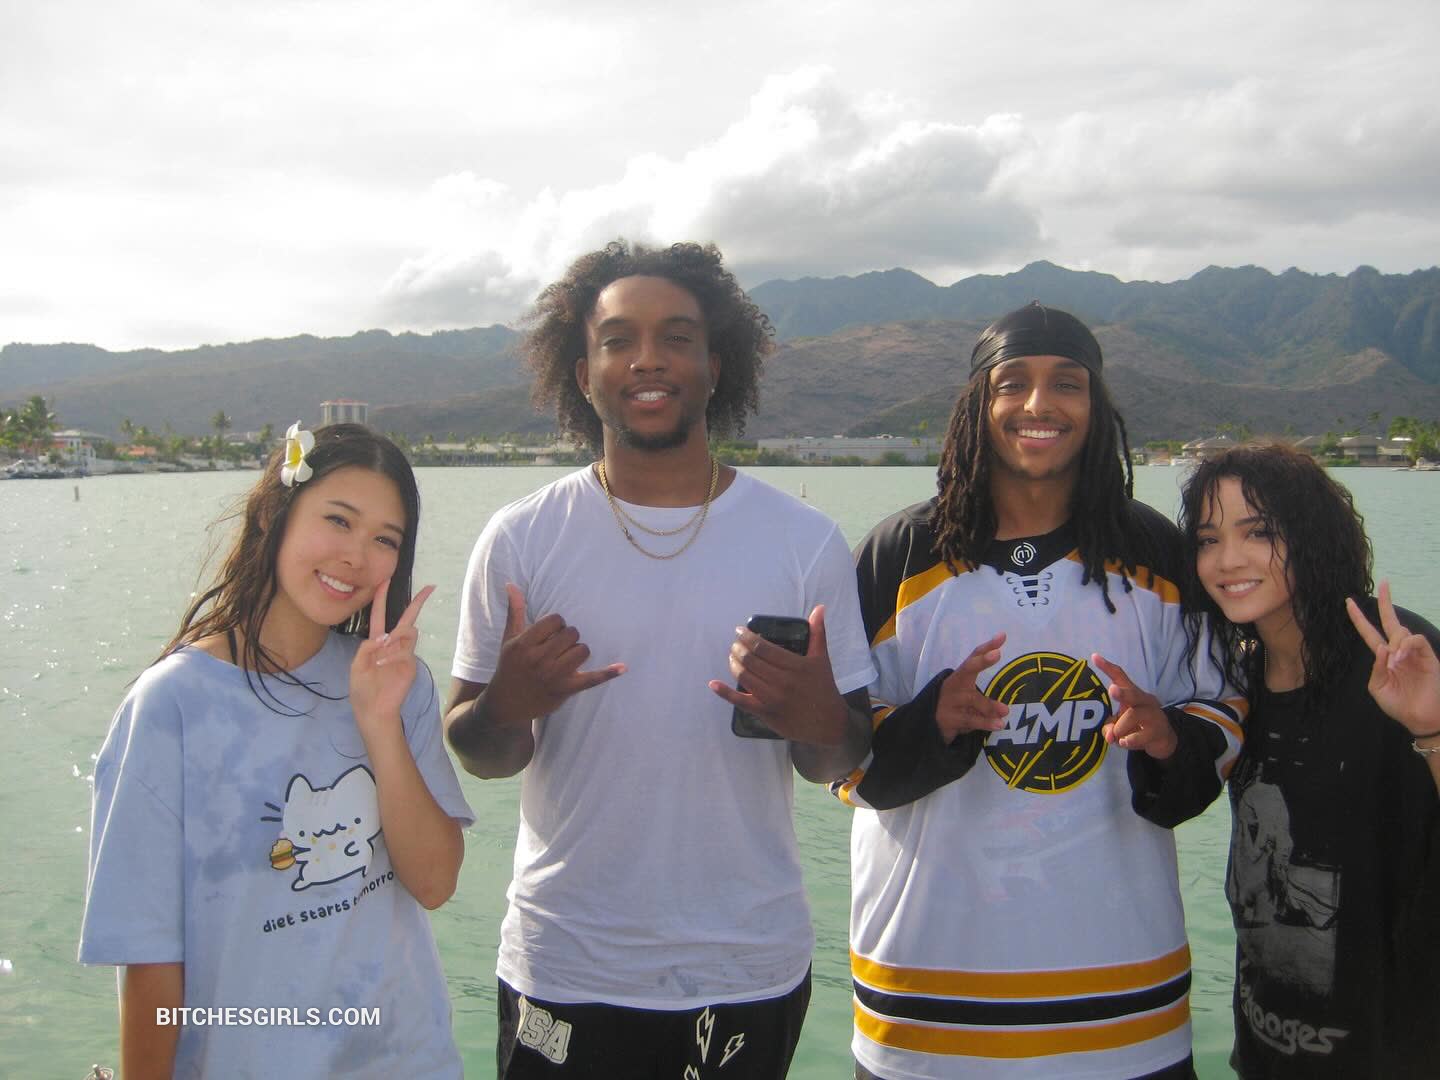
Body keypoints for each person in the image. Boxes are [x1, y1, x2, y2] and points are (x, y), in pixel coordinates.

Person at [445, 240, 876, 1078]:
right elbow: (480, 753)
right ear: (584, 375)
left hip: (747, 966)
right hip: (564, 962)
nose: (648, 359)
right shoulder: (522, 539)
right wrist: (505, 706)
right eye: (619, 340)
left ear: (717, 367)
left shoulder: (803, 541)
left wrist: (820, 720)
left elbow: (839, 759)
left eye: (677, 338)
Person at [834, 302, 1246, 1079]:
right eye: (1012, 383)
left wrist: (1169, 739)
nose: (1038, 403)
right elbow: (836, 752)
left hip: (1126, 1004)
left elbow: (1223, 709)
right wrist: (927, 725)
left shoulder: (1155, 552)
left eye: (1067, 383)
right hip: (925, 1004)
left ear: (1096, 405)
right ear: (976, 404)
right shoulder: (899, 554)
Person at [79, 423, 474, 1079]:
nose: (356, 556)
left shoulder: (398, 685)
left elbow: (434, 883)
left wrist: (380, 724)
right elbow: (149, 954)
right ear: (273, 511)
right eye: (339, 520)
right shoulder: (173, 705)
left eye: (385, 539)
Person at [1178, 442, 1440, 1077]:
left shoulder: (1399, 657)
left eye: (1259, 532)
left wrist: (1432, 729)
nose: (1228, 560)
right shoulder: (1240, 677)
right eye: (1209, 539)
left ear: (1312, 535)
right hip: (1267, 1047)